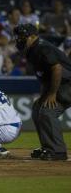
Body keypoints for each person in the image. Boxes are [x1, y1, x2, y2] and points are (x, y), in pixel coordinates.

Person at [13, 24, 71, 160]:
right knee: (38, 108)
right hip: (61, 84)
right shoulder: (33, 49)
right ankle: (48, 147)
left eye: (23, 36)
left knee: (47, 111)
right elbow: (45, 76)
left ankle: (57, 152)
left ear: (33, 37)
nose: (19, 39)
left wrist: (51, 94)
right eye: (18, 37)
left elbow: (57, 69)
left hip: (67, 84)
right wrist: (44, 95)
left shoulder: (41, 47)